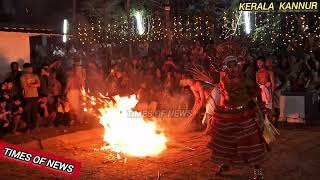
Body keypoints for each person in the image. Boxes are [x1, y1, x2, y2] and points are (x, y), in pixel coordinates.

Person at [206, 42, 267, 180]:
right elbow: (223, 95)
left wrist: (257, 107)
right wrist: (220, 111)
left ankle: (257, 171)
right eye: (230, 66)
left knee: (251, 142)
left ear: (238, 65)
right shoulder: (223, 80)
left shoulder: (245, 79)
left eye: (235, 65)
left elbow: (256, 91)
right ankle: (225, 164)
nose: (233, 69)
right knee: (226, 141)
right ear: (226, 68)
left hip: (244, 114)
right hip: (228, 115)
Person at [20, 63, 40, 133]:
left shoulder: (35, 75)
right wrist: (34, 85)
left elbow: (38, 84)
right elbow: (23, 86)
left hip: (35, 96)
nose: (31, 69)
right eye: (29, 68)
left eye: (31, 68)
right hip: (27, 96)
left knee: (34, 112)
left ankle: (34, 127)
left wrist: (31, 85)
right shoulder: (22, 77)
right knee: (28, 113)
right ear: (25, 69)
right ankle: (28, 127)